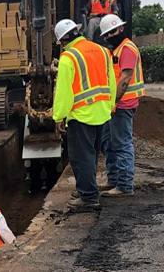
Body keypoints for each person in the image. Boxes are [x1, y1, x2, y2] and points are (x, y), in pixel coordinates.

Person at [53, 19, 116, 209]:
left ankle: (88, 196)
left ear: (63, 40)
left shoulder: (69, 57)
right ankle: (86, 188)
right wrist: (110, 105)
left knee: (82, 157)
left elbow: (64, 91)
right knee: (92, 155)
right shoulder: (103, 51)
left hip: (81, 115)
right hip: (102, 112)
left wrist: (59, 116)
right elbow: (111, 81)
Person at [99, 15, 144, 197]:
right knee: (108, 143)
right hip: (115, 105)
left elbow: (125, 78)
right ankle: (114, 180)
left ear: (121, 29)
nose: (110, 36)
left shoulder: (126, 49)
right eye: (107, 34)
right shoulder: (117, 50)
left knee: (122, 144)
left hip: (123, 104)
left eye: (112, 32)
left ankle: (124, 185)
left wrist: (114, 102)